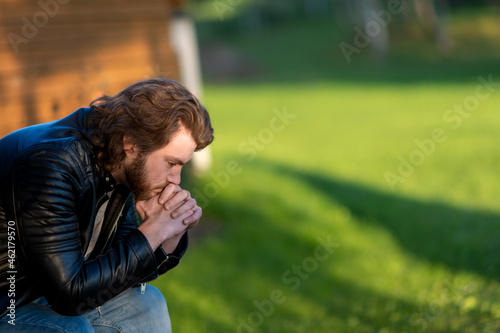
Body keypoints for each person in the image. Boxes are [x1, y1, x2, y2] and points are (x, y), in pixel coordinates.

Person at [0, 78, 214, 332]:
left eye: (182, 165)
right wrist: (153, 231)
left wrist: (168, 236)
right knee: (72, 329)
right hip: (9, 301)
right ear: (131, 143)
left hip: (46, 289)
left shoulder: (119, 161)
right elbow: (70, 296)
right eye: (171, 163)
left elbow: (113, 275)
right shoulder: (51, 165)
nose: (176, 180)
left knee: (147, 306)